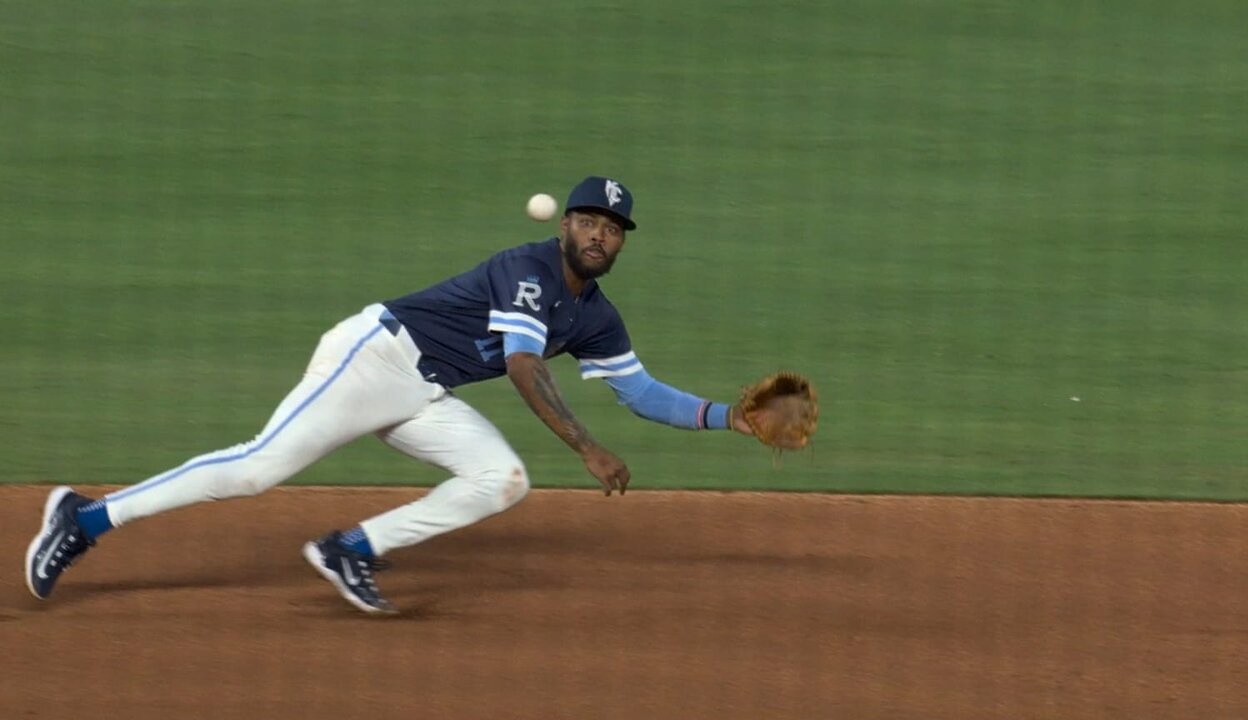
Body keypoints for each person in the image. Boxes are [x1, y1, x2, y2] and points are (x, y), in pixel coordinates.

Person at [25, 176, 758, 614]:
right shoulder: (527, 268)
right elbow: (523, 366)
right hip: (375, 357)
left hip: (423, 390)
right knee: (258, 469)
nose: (600, 235)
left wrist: (731, 418)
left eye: (614, 229)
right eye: (590, 221)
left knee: (499, 480)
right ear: (565, 224)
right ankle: (84, 520)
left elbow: (641, 393)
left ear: (622, 243)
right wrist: (587, 448)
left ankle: (352, 549)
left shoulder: (595, 314)